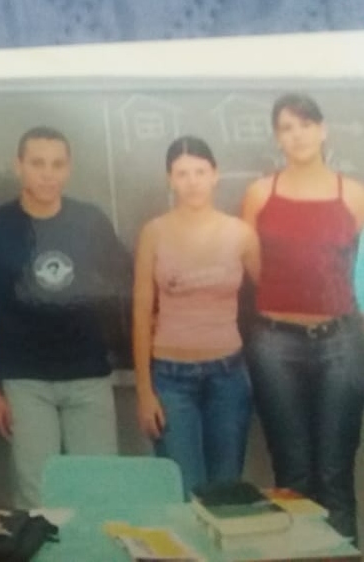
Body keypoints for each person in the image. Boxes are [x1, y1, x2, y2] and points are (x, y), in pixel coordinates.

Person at [0, 126, 131, 509]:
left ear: (69, 168)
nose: (48, 174)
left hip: (88, 377)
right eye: (37, 163)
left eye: (57, 164)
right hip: (25, 382)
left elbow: (121, 290)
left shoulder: (92, 222)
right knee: (37, 497)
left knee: (99, 493)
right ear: (19, 166)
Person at [242, 93, 364, 540]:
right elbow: (255, 268)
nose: (298, 135)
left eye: (306, 124)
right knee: (292, 473)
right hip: (275, 344)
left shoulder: (354, 194)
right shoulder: (260, 194)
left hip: (341, 342)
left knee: (335, 470)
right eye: (287, 128)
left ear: (323, 129)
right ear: (277, 138)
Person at [133, 136, 260, 497]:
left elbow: (271, 296)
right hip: (171, 380)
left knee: (225, 492)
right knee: (183, 491)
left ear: (215, 175)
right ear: (170, 179)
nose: (192, 182)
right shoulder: (154, 233)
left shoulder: (241, 233)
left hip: (229, 377)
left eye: (200, 172)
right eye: (182, 173)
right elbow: (141, 313)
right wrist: (144, 391)